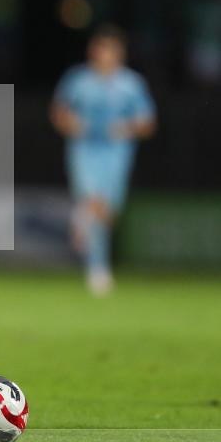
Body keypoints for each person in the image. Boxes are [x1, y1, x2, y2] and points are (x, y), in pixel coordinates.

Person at [50, 24, 156, 296]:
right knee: (94, 200)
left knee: (107, 212)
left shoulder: (131, 84)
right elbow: (59, 113)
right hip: (84, 150)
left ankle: (84, 224)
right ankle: (97, 269)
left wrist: (126, 128)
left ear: (119, 53)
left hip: (117, 153)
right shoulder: (78, 80)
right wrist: (72, 124)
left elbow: (147, 123)